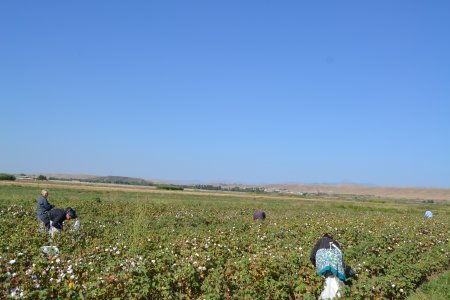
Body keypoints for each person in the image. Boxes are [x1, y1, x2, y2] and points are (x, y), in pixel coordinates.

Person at [310, 233, 347, 299]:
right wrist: (343, 269)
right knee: (335, 277)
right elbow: (340, 255)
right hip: (335, 258)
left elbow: (312, 256)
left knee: (326, 278)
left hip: (322, 257)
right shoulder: (335, 242)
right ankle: (337, 294)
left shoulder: (320, 241)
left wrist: (316, 266)